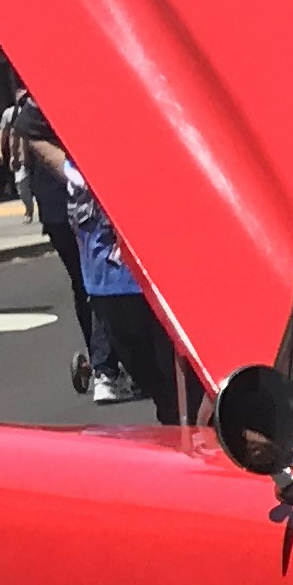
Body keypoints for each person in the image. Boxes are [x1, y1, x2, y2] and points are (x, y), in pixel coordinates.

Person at [49, 138, 176, 411]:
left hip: (144, 284)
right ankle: (107, 373)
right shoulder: (81, 163)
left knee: (170, 385)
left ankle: (109, 373)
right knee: (154, 379)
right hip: (108, 281)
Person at [5, 93, 99, 391]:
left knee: (84, 282)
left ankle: (102, 358)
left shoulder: (30, 110)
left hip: (57, 204)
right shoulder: (40, 105)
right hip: (74, 205)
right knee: (94, 280)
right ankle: (108, 359)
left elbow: (23, 145)